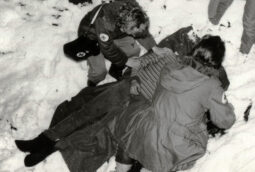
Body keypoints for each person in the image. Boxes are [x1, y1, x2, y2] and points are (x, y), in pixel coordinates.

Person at [15, 35, 236, 172]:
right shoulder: (170, 56)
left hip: (142, 104)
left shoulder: (182, 68)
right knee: (86, 110)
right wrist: (134, 80)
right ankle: (44, 139)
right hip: (128, 90)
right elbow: (140, 63)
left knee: (97, 128)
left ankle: (52, 147)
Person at [66, 0, 159, 86]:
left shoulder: (135, 12)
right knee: (100, 72)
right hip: (93, 37)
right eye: (132, 33)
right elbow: (108, 48)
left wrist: (154, 47)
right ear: (124, 28)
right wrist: (126, 61)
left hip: (115, 31)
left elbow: (140, 29)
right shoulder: (105, 22)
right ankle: (92, 83)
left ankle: (116, 70)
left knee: (133, 50)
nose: (134, 36)